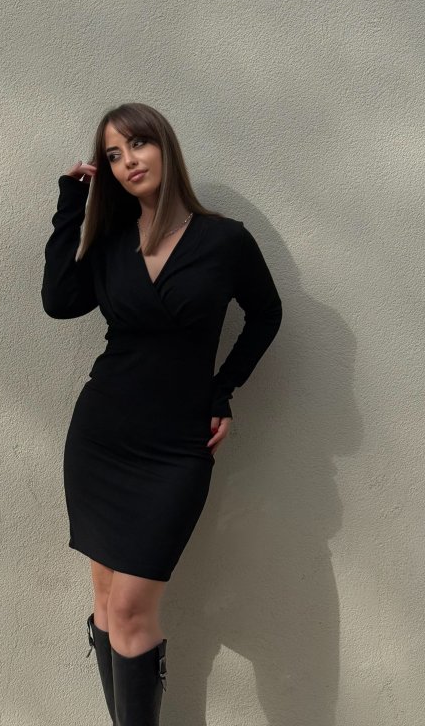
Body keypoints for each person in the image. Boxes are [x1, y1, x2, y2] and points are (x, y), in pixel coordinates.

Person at [41, 102, 282, 725]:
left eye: (138, 144)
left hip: (175, 448)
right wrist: (72, 203)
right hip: (101, 438)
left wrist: (223, 390)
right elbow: (59, 301)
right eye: (113, 155)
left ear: (165, 146)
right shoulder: (112, 241)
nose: (128, 161)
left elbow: (267, 314)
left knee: (130, 608)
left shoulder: (224, 240)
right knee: (106, 603)